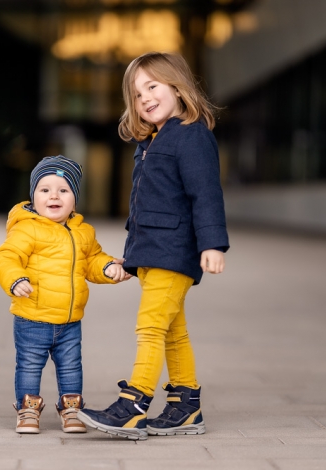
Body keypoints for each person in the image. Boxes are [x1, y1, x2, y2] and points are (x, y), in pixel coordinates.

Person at [77, 52, 230, 440]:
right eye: (136, 93)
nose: (144, 97)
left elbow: (205, 194)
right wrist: (133, 256)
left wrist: (212, 244)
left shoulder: (192, 134)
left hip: (175, 250)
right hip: (154, 251)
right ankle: (185, 406)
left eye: (152, 86)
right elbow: (144, 205)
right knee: (172, 330)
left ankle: (134, 404)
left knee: (149, 327)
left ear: (177, 87)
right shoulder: (151, 141)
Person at [0, 155, 130, 435]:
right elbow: (6, 256)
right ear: (33, 197)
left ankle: (71, 409)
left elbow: (92, 261)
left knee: (71, 367)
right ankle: (27, 409)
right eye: (45, 190)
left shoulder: (83, 232)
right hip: (33, 316)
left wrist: (108, 267)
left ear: (74, 200)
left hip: (70, 321)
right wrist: (15, 279)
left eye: (63, 190)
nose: (53, 196)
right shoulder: (27, 228)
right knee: (30, 365)